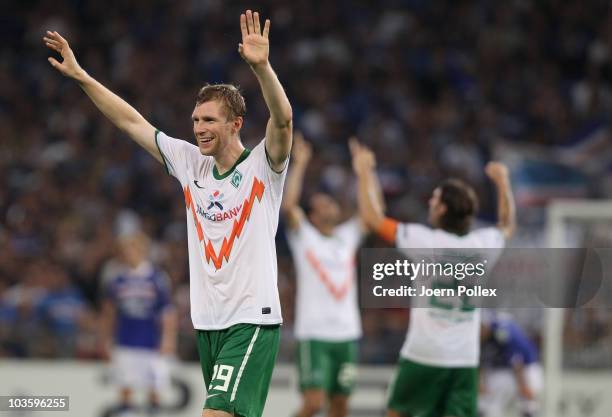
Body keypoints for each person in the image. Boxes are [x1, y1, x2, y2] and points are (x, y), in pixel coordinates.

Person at [44, 9, 292, 417]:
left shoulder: (262, 167)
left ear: (236, 124)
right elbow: (131, 122)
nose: (198, 128)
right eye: (195, 120)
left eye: (209, 120)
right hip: (208, 322)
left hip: (252, 318)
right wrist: (82, 77)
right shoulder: (190, 162)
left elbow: (282, 121)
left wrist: (263, 69)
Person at [350, 141, 516, 417]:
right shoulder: (485, 244)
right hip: (464, 358)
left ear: (442, 210)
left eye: (435, 198)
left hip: (424, 354)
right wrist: (503, 182)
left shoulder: (422, 240)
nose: (430, 201)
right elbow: (507, 225)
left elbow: (373, 218)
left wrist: (364, 172)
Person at [282, 133, 377, 417]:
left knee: (340, 406)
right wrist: (300, 164)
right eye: (322, 203)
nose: (330, 205)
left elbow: (372, 216)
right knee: (313, 403)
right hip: (314, 333)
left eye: (330, 202)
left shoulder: (347, 236)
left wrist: (364, 173)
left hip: (346, 333)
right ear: (312, 215)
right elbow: (289, 207)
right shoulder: (305, 237)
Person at [100, 231, 177, 415]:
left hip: (151, 342)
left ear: (142, 250)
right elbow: (109, 312)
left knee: (154, 388)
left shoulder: (156, 279)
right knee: (126, 388)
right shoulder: (118, 280)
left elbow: (167, 312)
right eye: (125, 250)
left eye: (132, 249)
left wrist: (168, 340)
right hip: (125, 340)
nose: (128, 254)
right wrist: (105, 339)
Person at [479, 312, 542, 417]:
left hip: (527, 368)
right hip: (507, 370)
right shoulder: (489, 334)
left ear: (484, 326)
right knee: (489, 404)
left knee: (528, 403)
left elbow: (517, 361)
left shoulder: (501, 333)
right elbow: (484, 361)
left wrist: (524, 386)